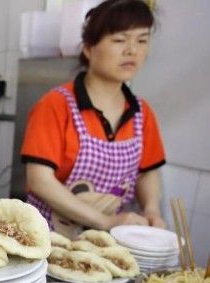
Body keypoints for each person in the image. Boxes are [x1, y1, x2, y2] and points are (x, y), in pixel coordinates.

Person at [21, 0, 167, 239]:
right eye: (120, 40)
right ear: (88, 48)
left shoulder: (142, 112)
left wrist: (151, 209)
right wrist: (106, 221)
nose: (132, 50)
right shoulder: (56, 105)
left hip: (109, 243)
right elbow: (39, 180)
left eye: (142, 40)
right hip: (50, 240)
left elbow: (147, 172)